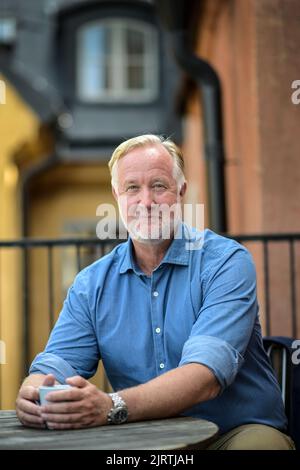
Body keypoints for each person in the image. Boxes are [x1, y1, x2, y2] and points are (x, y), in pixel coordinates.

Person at [16, 134, 294, 450]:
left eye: (159, 186)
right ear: (116, 196)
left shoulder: (226, 262)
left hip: (234, 433)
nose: (146, 202)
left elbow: (205, 377)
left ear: (182, 192)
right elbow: (55, 366)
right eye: (132, 188)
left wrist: (111, 405)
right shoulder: (91, 284)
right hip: (145, 439)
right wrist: (34, 392)